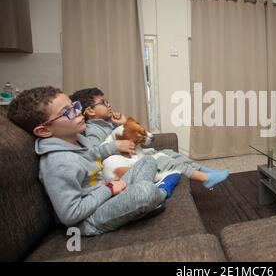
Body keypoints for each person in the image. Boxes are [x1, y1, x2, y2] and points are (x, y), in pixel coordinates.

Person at [7, 86, 180, 236]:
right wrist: (109, 188)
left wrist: (115, 146)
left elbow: (95, 153)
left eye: (74, 106)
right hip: (89, 220)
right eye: (67, 112)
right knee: (144, 191)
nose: (77, 112)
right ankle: (160, 193)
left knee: (147, 161)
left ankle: (144, 202)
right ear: (44, 131)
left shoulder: (76, 140)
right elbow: (71, 214)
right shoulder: (58, 163)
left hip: (106, 194)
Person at [70, 87, 229, 189]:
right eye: (103, 102)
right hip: (127, 166)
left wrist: (124, 123)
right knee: (163, 159)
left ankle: (204, 169)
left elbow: (134, 135)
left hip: (133, 158)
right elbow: (94, 153)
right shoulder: (93, 130)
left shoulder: (107, 124)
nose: (109, 104)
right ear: (90, 111)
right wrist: (116, 145)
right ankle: (205, 178)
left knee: (169, 152)